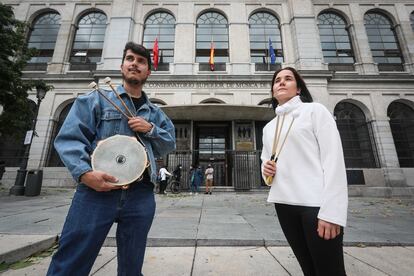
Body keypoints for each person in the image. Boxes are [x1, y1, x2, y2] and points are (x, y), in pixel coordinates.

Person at [47, 42, 176, 276]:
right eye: (130, 59)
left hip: (140, 195)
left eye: (141, 61)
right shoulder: (95, 99)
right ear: (122, 66)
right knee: (71, 260)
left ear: (148, 71)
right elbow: (69, 139)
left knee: (131, 265)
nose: (134, 64)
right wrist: (85, 174)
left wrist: (150, 129)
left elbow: (169, 145)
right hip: (96, 192)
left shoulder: (157, 114)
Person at [261, 67, 348, 276]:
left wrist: (332, 213)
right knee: (308, 269)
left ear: (298, 88)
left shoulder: (315, 111)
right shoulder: (269, 127)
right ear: (273, 90)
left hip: (316, 206)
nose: (281, 82)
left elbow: (334, 160)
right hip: (284, 205)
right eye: (277, 80)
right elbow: (266, 168)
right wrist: (266, 170)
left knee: (330, 271)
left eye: (288, 79)